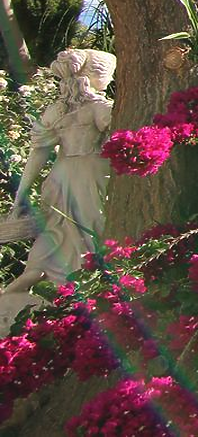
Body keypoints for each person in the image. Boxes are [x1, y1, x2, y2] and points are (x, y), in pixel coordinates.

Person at [0, 48, 116, 328]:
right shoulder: (100, 106)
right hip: (90, 174)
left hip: (60, 177)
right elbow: (118, 136)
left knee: (59, 231)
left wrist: (21, 194)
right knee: (90, 232)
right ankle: (83, 294)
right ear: (98, 75)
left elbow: (37, 154)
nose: (112, 80)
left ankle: (56, 288)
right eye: (111, 75)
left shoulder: (57, 109)